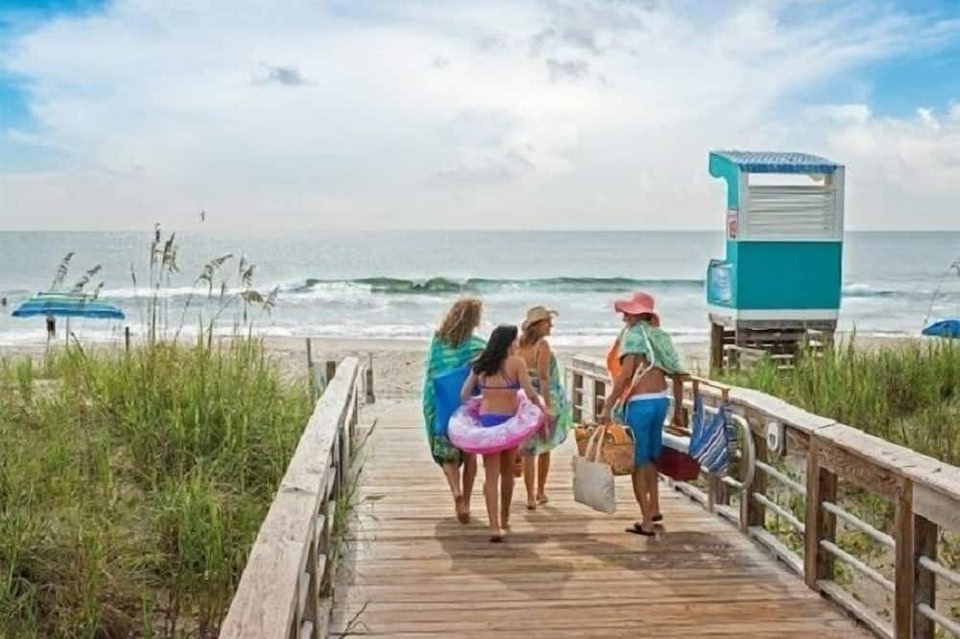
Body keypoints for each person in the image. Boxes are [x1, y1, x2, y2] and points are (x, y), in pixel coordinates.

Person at [599, 292, 686, 536]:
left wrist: (607, 406)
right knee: (650, 458)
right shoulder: (660, 336)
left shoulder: (633, 336)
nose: (624, 318)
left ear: (638, 315)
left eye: (627, 313)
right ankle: (655, 508)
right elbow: (678, 375)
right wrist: (679, 411)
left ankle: (646, 520)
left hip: (639, 404)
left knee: (637, 462)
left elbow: (625, 376)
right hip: (661, 401)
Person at [460, 325, 544, 542]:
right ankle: (504, 518)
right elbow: (529, 392)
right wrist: (542, 409)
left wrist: (477, 403)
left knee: (490, 476)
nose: (517, 343)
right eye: (515, 340)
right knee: (507, 473)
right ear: (508, 342)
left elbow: (464, 394)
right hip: (509, 424)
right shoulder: (517, 363)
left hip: (488, 422)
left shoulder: (480, 364)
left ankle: (494, 527)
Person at [422, 297, 486, 524]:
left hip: (439, 402)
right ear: (474, 319)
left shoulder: (438, 340)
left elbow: (433, 370)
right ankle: (466, 501)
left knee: (446, 452)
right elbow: (485, 372)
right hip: (466, 405)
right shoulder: (478, 346)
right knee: (469, 454)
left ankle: (456, 492)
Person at [517, 305, 572, 510]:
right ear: (538, 325)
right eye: (548, 323)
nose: (551, 326)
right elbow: (544, 378)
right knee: (545, 446)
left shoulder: (518, 344)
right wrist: (547, 407)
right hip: (542, 396)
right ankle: (540, 491)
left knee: (529, 449)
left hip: (523, 397)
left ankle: (530, 496)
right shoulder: (542, 345)